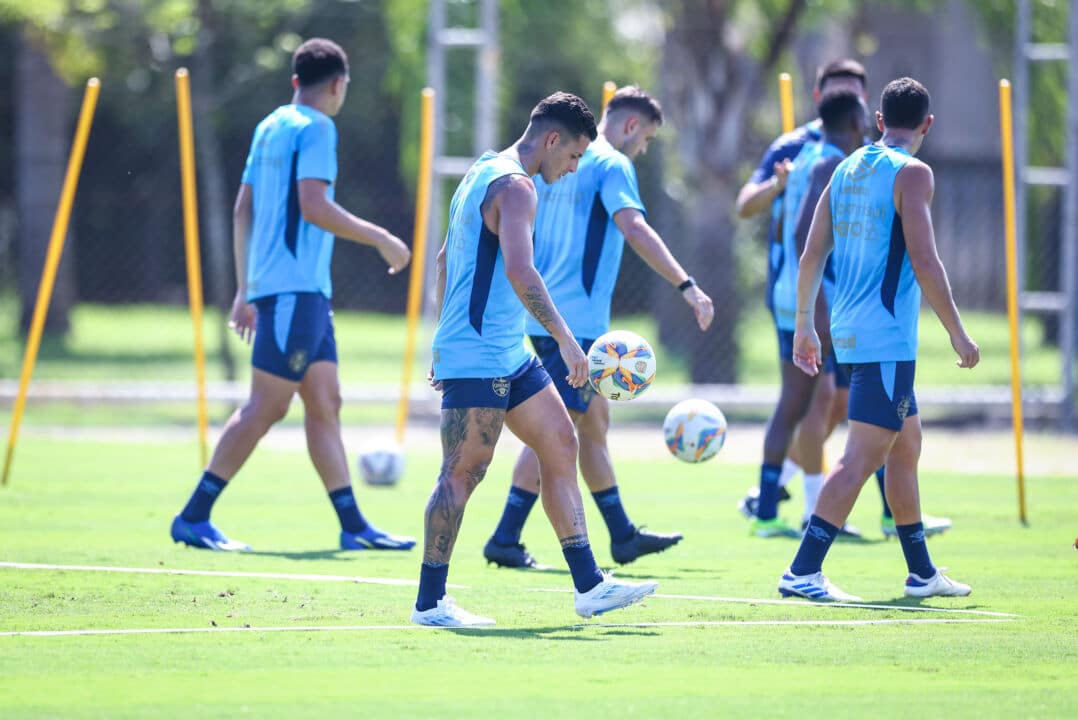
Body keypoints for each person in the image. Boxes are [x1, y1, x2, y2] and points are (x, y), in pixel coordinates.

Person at [411, 92, 658, 627]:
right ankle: (430, 602)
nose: (572, 169)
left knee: (561, 440)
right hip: (478, 351)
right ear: (551, 140)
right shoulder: (517, 188)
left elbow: (443, 258)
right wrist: (569, 342)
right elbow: (522, 272)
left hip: (505, 348)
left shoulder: (482, 168)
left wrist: (439, 335)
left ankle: (589, 585)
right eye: (572, 157)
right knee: (464, 470)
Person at [170, 38, 416, 553]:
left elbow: (243, 209)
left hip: (296, 293)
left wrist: (245, 288)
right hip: (295, 294)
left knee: (325, 402)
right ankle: (193, 516)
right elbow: (314, 206)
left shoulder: (269, 126)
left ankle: (353, 525)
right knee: (264, 409)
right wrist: (382, 238)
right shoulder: (319, 127)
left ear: (294, 82)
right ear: (337, 85)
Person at [481, 86, 714, 570]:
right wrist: (686, 285)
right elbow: (634, 228)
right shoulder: (611, 164)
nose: (643, 148)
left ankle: (622, 533)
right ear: (631, 126)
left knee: (592, 424)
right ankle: (505, 536)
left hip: (545, 314)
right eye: (646, 138)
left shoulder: (555, 157)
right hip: (577, 324)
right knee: (558, 427)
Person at [778, 77, 978, 600]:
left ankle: (921, 573)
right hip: (886, 338)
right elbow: (926, 260)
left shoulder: (844, 168)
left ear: (879, 120)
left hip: (847, 331)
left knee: (905, 445)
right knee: (862, 457)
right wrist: (957, 333)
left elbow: (811, 253)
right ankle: (803, 570)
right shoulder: (913, 173)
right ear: (927, 126)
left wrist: (804, 323)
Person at [735, 59, 952, 539]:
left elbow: (807, 242)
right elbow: (800, 239)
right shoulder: (824, 159)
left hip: (833, 310)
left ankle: (905, 548)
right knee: (833, 423)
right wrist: (813, 315)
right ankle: (793, 524)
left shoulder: (851, 164)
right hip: (841, 312)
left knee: (872, 424)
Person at [752, 89, 868, 538]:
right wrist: (814, 310)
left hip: (794, 293)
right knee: (804, 402)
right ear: (856, 122)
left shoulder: (804, 159)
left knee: (809, 402)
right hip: (812, 299)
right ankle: (791, 511)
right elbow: (805, 236)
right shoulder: (831, 165)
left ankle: (777, 506)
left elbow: (782, 225)